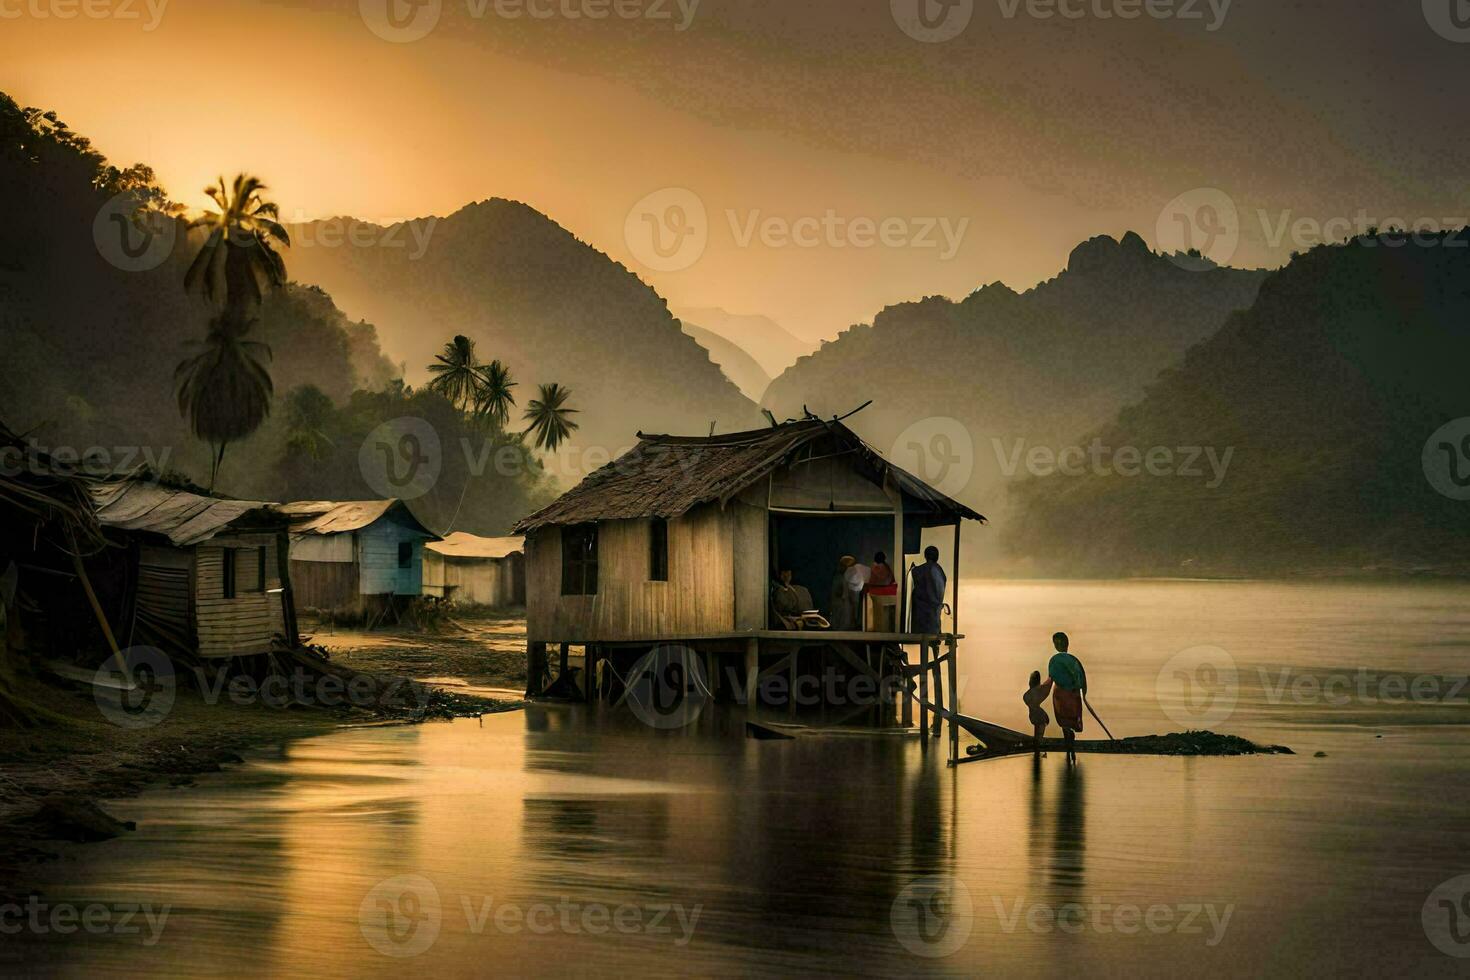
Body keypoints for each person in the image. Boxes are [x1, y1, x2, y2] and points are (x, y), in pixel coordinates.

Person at [1034, 632, 1087, 764]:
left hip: (1062, 695)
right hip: (1072, 695)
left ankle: (1070, 751)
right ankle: (1071, 752)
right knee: (1069, 724)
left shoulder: (1055, 660)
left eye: (1057, 643)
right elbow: (1082, 680)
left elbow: (1051, 679)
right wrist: (1083, 694)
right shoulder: (1074, 660)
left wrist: (1037, 693)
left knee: (1065, 725)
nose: (1057, 645)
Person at [909, 545, 947, 633]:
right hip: (934, 610)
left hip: (922, 610)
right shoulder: (939, 570)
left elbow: (914, 575)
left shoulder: (919, 570)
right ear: (937, 557)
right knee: (932, 634)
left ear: (925, 556)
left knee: (924, 636)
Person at [1023, 669, 1050, 754]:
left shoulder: (1027, 694)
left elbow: (1030, 702)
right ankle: (1038, 750)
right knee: (1040, 735)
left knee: (1036, 734)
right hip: (1040, 716)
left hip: (1033, 716)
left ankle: (1037, 751)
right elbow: (1047, 684)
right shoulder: (1039, 690)